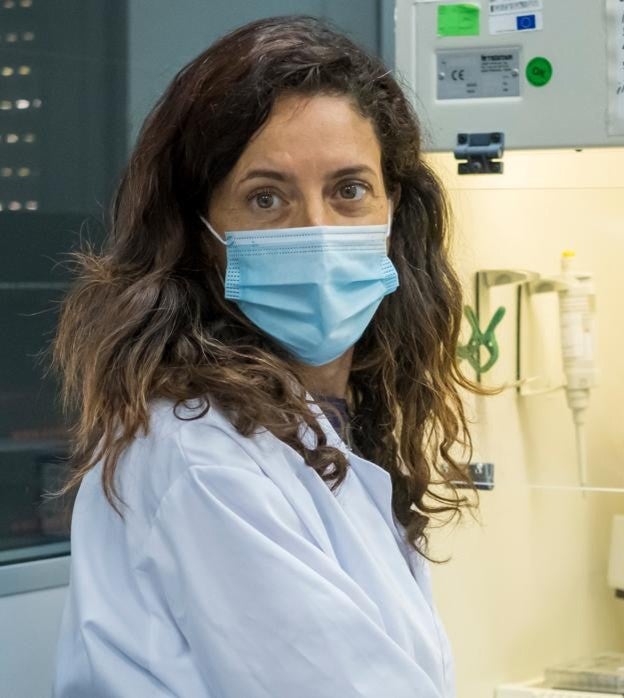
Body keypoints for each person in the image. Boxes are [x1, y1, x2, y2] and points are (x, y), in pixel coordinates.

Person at [51, 16, 474, 697]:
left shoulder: (325, 425)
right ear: (201, 235)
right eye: (266, 197)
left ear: (397, 212)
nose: (316, 228)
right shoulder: (202, 455)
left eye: (348, 190)